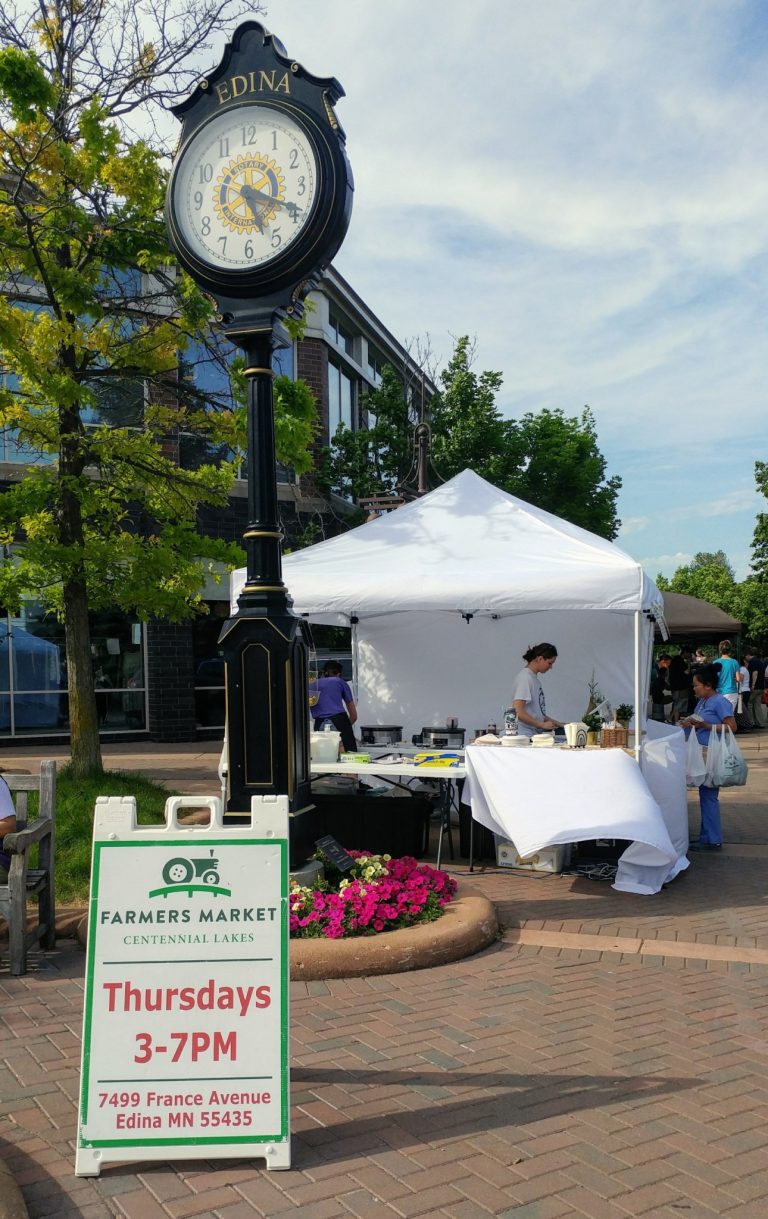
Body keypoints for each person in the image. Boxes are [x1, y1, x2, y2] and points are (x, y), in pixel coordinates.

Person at [679, 663, 737, 851]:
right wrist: (689, 722)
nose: (694, 688)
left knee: (709, 795)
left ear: (708, 685)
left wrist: (705, 726)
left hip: (711, 754)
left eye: (697, 685)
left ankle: (712, 839)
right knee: (705, 795)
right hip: (702, 753)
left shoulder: (719, 701)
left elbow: (732, 727)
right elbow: (700, 719)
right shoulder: (703, 702)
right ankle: (707, 836)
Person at [510, 643, 564, 737]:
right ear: (540, 659)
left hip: (530, 733)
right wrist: (541, 725)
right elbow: (517, 710)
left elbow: (538, 714)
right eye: (550, 663)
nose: (551, 667)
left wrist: (559, 724)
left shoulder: (534, 680)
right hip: (523, 735)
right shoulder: (525, 678)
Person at [309, 661, 357, 753]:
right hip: (339, 720)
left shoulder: (311, 684)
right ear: (338, 674)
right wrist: (346, 728)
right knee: (349, 754)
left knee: (324, 755)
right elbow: (354, 716)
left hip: (319, 724)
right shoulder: (339, 682)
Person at [712, 639, 740, 714]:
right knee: (730, 717)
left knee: (720, 717)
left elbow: (713, 679)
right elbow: (738, 679)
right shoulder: (734, 662)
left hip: (719, 693)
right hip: (732, 692)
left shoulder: (715, 662)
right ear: (730, 650)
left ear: (720, 650)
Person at [668, 649, 692, 724]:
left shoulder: (674, 660)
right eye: (689, 653)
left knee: (676, 703)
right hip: (680, 686)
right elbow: (687, 672)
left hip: (674, 686)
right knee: (679, 704)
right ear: (685, 652)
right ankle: (676, 722)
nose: (690, 656)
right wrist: (689, 663)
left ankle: (670, 718)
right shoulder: (680, 661)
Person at [746, 648, 767, 730]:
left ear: (749, 655)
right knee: (757, 705)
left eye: (746, 656)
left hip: (755, 687)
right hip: (761, 686)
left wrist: (753, 685)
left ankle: (752, 722)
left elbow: (755, 673)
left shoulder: (752, 662)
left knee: (749, 703)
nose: (745, 658)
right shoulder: (760, 662)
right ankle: (760, 723)